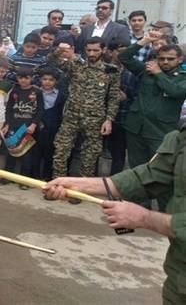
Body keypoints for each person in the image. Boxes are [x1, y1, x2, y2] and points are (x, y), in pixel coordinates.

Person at [43, 122, 186, 304]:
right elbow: (148, 176)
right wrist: (79, 184)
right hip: (178, 276)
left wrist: (144, 218)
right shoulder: (182, 137)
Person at [119, 35, 186, 208]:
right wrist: (144, 41)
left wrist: (158, 74)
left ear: (180, 59)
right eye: (161, 58)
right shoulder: (146, 70)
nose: (165, 62)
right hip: (136, 128)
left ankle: (166, 211)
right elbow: (124, 57)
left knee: (161, 173)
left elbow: (175, 91)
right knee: (137, 170)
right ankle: (140, 208)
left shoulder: (182, 77)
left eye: (170, 59)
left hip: (160, 132)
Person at [49, 37, 120, 184]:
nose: (92, 53)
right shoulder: (75, 65)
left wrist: (109, 120)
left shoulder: (111, 71)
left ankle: (83, 187)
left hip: (95, 119)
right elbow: (51, 61)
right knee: (60, 151)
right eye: (89, 50)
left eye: (96, 50)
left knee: (90, 156)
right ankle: (58, 185)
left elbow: (113, 97)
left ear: (103, 50)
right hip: (71, 117)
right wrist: (59, 51)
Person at [0, 67, 44, 183]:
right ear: (17, 78)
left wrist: (34, 125)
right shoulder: (14, 91)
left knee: (27, 155)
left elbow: (40, 110)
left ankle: (24, 181)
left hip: (28, 128)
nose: (23, 80)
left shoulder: (37, 92)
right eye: (20, 78)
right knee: (11, 152)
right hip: (14, 126)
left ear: (31, 78)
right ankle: (7, 177)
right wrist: (7, 124)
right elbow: (8, 109)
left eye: (26, 78)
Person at [104, 40, 138, 176]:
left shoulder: (133, 73)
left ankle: (114, 181)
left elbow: (139, 96)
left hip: (122, 118)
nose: (123, 54)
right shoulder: (103, 70)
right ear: (110, 52)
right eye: (119, 51)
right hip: (99, 116)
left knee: (118, 153)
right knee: (94, 151)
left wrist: (127, 97)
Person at [34, 67, 66, 181]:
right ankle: (34, 176)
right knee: (35, 152)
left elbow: (62, 113)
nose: (47, 82)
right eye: (45, 79)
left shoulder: (61, 95)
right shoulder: (35, 92)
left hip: (53, 128)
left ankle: (47, 176)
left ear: (56, 81)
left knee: (50, 152)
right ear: (40, 80)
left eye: (51, 80)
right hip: (36, 128)